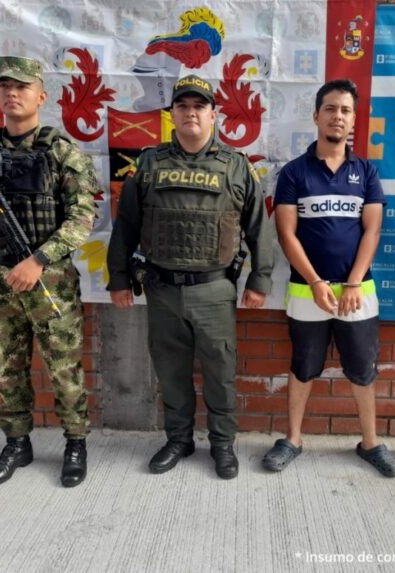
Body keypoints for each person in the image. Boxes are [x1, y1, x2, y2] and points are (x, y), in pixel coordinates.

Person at [106, 74, 273, 480]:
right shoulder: (148, 164)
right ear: (173, 115)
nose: (191, 112)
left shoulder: (236, 167)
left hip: (214, 289)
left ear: (213, 115)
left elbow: (258, 228)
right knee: (171, 372)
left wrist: (260, 280)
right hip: (162, 288)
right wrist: (119, 277)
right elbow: (125, 225)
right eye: (183, 106)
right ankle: (179, 439)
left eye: (199, 106)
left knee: (220, 372)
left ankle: (222, 444)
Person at [261, 79, 395, 478]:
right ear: (316, 116)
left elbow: (372, 231)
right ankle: (292, 439)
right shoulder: (294, 173)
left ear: (353, 120)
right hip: (308, 291)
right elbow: (286, 233)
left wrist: (354, 282)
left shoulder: (366, 172)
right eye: (330, 108)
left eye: (344, 110)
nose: (337, 116)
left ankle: (371, 444)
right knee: (304, 366)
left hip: (359, 292)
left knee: (362, 370)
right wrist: (317, 281)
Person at [0, 56, 99, 488]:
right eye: (4, 86)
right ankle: (16, 443)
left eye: (22, 87)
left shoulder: (64, 152)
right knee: (6, 365)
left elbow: (82, 218)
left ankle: (75, 442)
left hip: (49, 281)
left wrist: (37, 260)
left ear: (41, 96)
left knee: (63, 368)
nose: (12, 93)